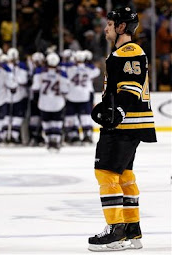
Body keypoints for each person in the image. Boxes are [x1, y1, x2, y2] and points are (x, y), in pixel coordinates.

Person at [88, 7, 157, 251]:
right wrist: (107, 106)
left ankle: (115, 231)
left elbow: (131, 88)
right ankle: (131, 230)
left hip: (124, 125)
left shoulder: (129, 51)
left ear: (120, 27)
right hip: (129, 123)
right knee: (124, 176)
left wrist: (117, 113)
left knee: (105, 173)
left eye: (109, 24)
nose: (106, 28)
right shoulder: (123, 52)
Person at [31, 52, 69, 150]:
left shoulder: (39, 72)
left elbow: (35, 88)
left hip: (44, 102)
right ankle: (56, 141)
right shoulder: (62, 73)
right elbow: (65, 90)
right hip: (58, 102)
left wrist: (36, 98)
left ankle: (48, 141)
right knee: (57, 122)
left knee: (46, 122)